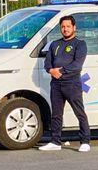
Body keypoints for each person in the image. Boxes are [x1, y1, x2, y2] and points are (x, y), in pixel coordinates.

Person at [38, 14, 90, 153]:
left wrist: (60, 71)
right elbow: (47, 63)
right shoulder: (55, 44)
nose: (65, 29)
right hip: (56, 85)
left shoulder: (80, 44)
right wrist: (51, 70)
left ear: (74, 27)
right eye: (63, 27)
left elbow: (77, 65)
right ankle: (55, 141)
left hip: (72, 84)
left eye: (68, 26)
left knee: (79, 113)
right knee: (56, 114)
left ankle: (85, 141)